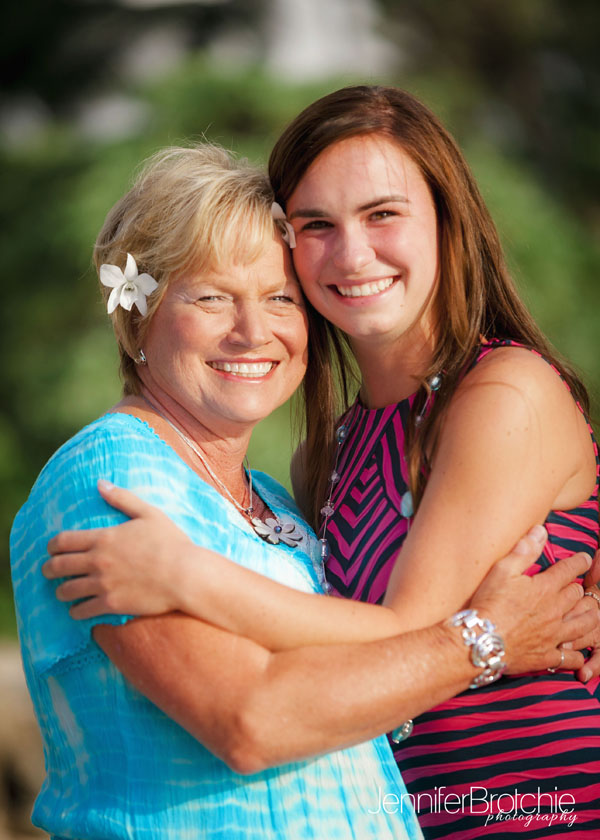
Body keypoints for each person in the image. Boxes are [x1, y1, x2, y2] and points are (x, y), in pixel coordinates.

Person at [44, 88, 600, 837]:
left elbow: (411, 628)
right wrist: (491, 632)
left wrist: (187, 576)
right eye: (316, 225)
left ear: (446, 218)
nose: (353, 253)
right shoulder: (325, 459)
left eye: (383, 214)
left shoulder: (505, 394)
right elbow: (359, 655)